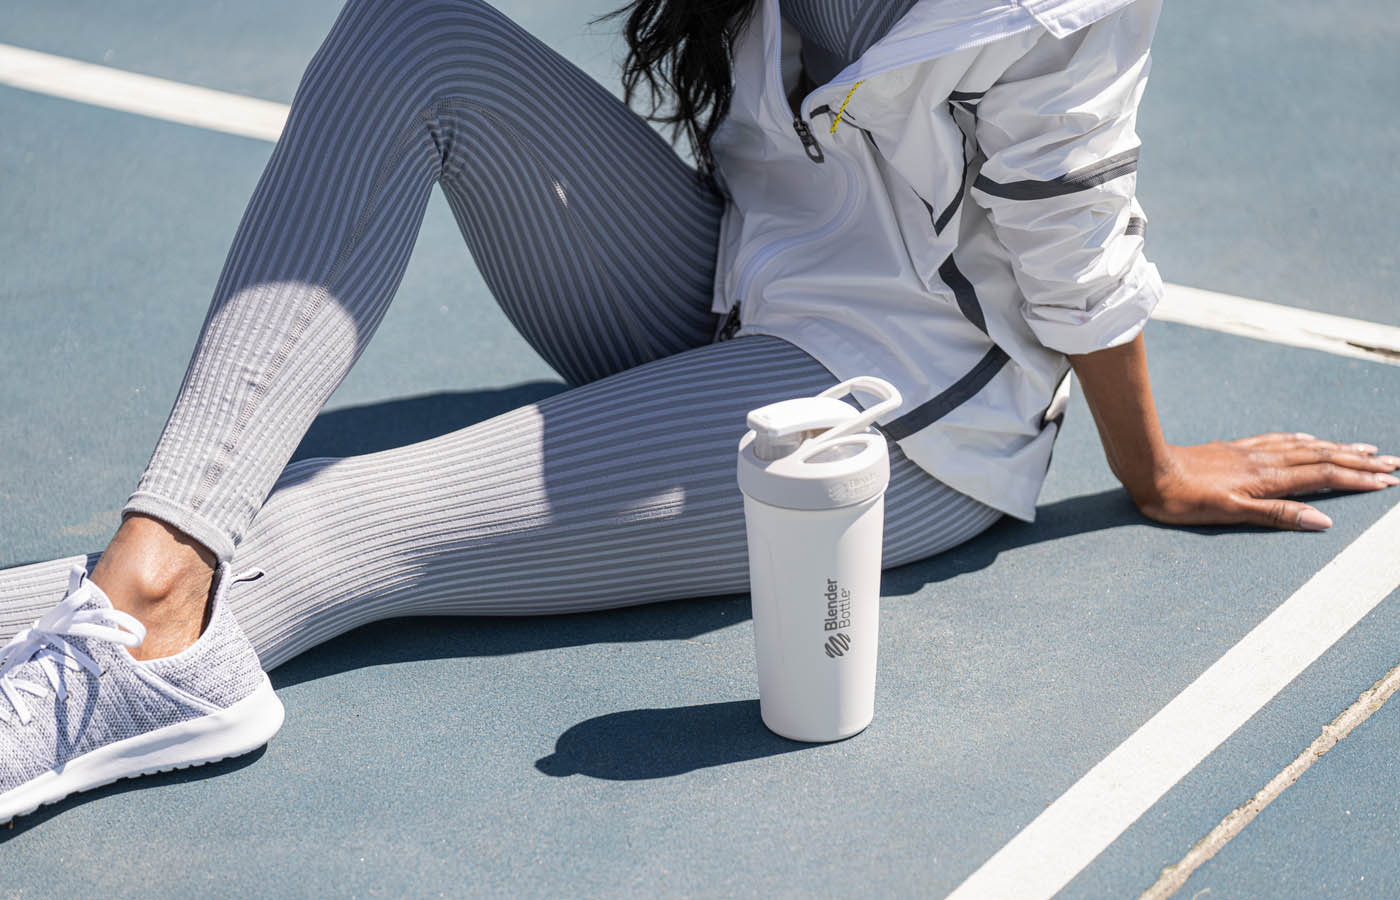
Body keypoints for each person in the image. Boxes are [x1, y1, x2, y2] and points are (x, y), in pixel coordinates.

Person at [1, 0, 1394, 824]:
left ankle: (140, 645)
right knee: (411, 35)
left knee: (320, 532)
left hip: (881, 414)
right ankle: (139, 600)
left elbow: (1075, 235)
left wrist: (1144, 469)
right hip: (721, 276)